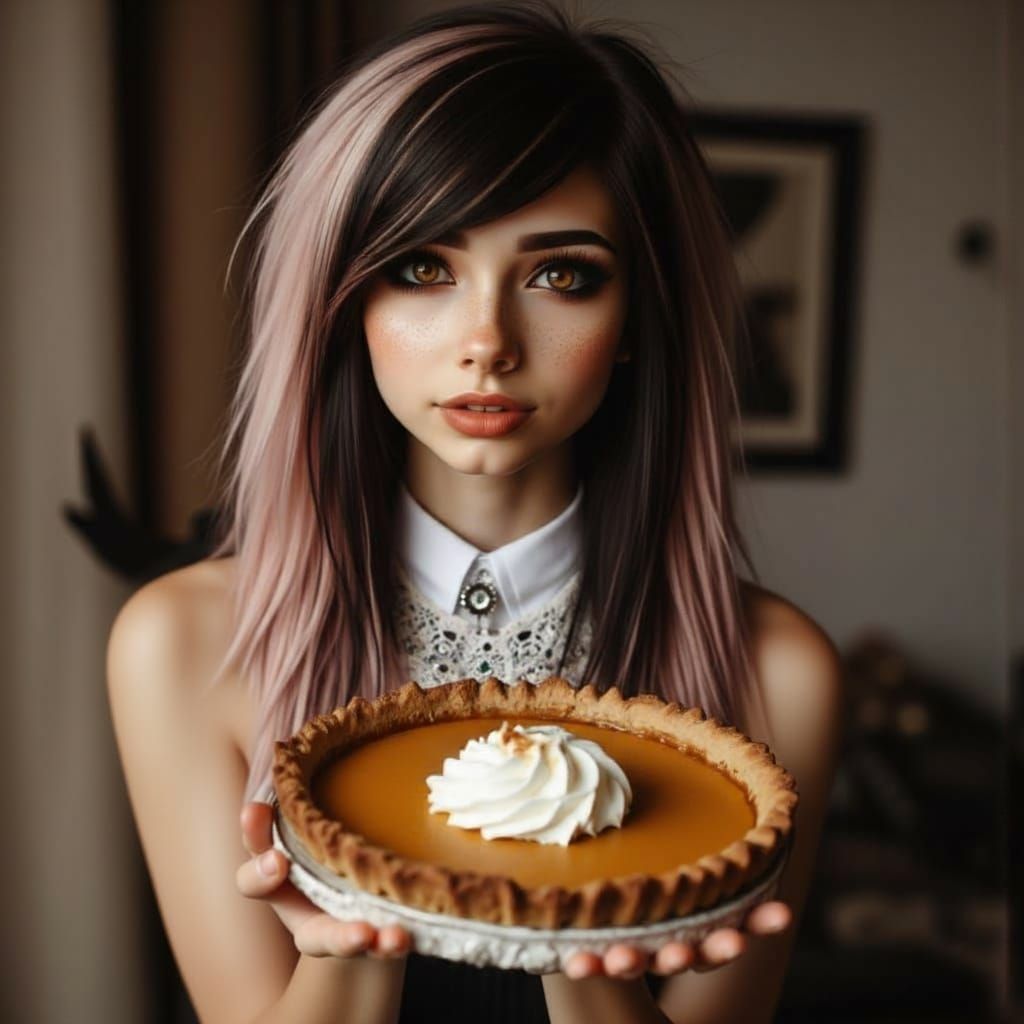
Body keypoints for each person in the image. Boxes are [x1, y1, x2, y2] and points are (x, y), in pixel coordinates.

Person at [106, 3, 842, 1022]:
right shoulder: (182, 643)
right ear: (340, 299)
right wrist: (352, 935)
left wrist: (584, 945)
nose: (486, 339)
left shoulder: (776, 674)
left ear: (637, 317)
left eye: (559, 275)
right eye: (421, 267)